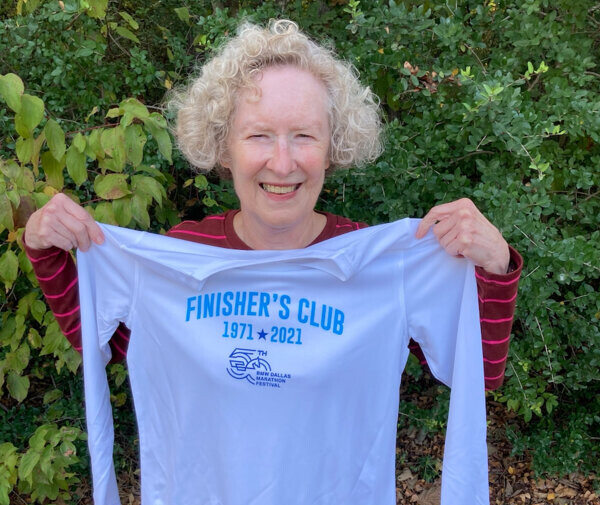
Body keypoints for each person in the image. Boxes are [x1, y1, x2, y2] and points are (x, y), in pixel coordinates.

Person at [24, 20, 521, 390]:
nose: (282, 164)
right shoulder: (183, 254)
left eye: (304, 135)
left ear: (333, 148)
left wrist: (495, 265)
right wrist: (45, 251)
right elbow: (103, 344)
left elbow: (477, 374)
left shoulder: (374, 263)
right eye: (259, 135)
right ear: (223, 148)